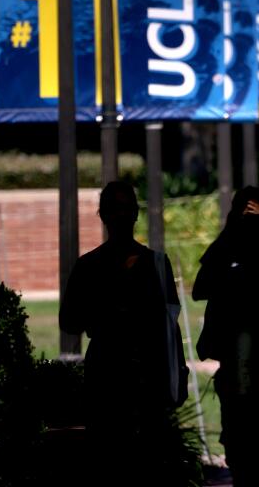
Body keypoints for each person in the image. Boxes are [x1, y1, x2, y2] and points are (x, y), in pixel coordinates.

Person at [60, 181, 187, 487]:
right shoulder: (88, 266)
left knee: (147, 466)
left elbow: (170, 321)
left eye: (126, 208)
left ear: (135, 214)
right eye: (115, 208)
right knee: (109, 465)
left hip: (149, 381)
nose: (120, 215)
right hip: (106, 379)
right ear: (103, 214)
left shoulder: (157, 264)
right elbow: (70, 321)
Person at [192, 186, 259, 486]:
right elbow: (200, 288)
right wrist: (231, 234)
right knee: (238, 442)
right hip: (234, 364)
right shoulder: (228, 249)